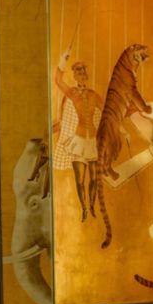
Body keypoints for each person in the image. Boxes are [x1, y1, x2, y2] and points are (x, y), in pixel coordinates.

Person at [53, 49, 103, 221]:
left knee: (94, 178)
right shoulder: (72, 93)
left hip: (93, 141)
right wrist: (62, 60)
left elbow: (108, 112)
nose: (81, 74)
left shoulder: (93, 95)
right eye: (78, 71)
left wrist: (122, 130)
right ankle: (84, 209)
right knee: (80, 180)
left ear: (86, 75)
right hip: (78, 141)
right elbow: (58, 80)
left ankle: (92, 206)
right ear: (74, 75)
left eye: (83, 71)